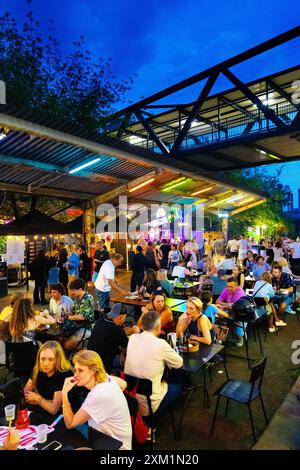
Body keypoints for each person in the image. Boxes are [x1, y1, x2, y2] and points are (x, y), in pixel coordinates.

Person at [62, 350, 132, 450]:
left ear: (93, 371)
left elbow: (70, 424)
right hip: (107, 438)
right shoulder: (106, 378)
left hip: (115, 446)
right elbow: (124, 384)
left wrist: (64, 393)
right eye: (75, 369)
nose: (75, 375)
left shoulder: (97, 394)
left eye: (80, 370)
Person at [124, 311, 183, 416]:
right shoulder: (160, 344)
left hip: (130, 399)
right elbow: (179, 363)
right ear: (157, 327)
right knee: (178, 387)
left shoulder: (133, 338)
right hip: (149, 405)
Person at [24, 341, 81, 415]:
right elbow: (26, 394)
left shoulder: (64, 374)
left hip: (67, 415)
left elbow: (53, 410)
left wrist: (39, 399)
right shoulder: (38, 369)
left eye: (51, 359)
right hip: (45, 410)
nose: (45, 363)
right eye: (43, 359)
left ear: (58, 360)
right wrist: (46, 402)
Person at [87, 303, 128, 373]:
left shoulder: (100, 321)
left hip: (90, 358)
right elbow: (127, 346)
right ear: (121, 317)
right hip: (104, 365)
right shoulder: (117, 330)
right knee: (128, 355)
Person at [64, 278, 95, 350]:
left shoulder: (88, 298)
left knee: (66, 346)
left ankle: (82, 349)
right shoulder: (77, 298)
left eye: (73, 290)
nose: (71, 292)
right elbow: (72, 311)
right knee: (59, 338)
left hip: (85, 329)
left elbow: (82, 316)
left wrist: (67, 317)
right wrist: (62, 315)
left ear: (80, 289)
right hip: (76, 326)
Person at [216, 277, 245, 347]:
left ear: (236, 286)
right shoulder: (226, 290)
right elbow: (217, 301)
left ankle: (241, 337)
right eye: (227, 286)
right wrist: (226, 305)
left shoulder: (240, 291)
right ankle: (221, 339)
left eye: (231, 287)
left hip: (241, 313)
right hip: (229, 311)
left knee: (238, 333)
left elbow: (235, 306)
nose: (228, 288)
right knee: (220, 319)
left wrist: (224, 305)